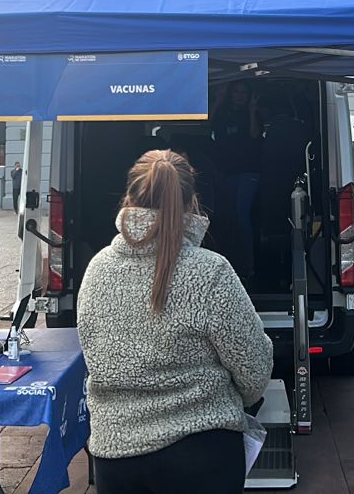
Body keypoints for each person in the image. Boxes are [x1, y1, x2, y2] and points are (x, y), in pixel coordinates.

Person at [77, 150, 274, 494]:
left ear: (128, 198)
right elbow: (254, 369)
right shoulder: (211, 271)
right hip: (203, 454)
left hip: (116, 458)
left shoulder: (97, 269)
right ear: (192, 202)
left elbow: (94, 356)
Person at [209, 80, 262, 279]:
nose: (239, 96)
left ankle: (249, 267)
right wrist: (217, 100)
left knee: (241, 216)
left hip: (248, 173)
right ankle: (228, 263)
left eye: (243, 92)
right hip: (226, 173)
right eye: (236, 92)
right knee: (226, 218)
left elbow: (255, 134)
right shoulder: (223, 113)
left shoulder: (253, 114)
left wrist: (252, 110)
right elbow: (207, 126)